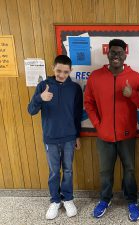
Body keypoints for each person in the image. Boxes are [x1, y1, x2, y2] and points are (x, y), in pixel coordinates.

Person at [84, 39, 139, 221]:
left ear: (125, 55)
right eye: (113, 52)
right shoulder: (96, 76)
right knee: (105, 171)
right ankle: (105, 199)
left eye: (120, 53)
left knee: (129, 169)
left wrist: (132, 95)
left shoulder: (134, 76)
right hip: (104, 135)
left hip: (127, 135)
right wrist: (98, 124)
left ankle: (132, 201)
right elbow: (88, 103)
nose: (116, 56)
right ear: (108, 54)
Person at [28, 55, 83, 220]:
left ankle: (68, 198)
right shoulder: (43, 86)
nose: (61, 74)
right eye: (59, 70)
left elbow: (77, 114)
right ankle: (55, 200)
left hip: (69, 138)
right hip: (50, 138)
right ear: (53, 68)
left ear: (70, 71)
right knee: (53, 172)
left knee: (68, 170)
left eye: (66, 72)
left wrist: (77, 136)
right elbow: (31, 110)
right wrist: (40, 98)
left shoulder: (74, 88)